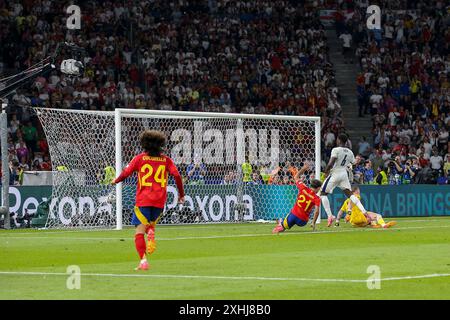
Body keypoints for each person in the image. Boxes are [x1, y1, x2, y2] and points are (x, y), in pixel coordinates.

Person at [112, 130, 185, 271]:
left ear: (144, 144)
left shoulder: (139, 158)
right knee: (149, 225)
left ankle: (143, 261)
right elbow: (176, 175)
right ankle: (151, 231)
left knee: (139, 232)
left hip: (143, 200)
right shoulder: (166, 160)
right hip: (159, 201)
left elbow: (126, 173)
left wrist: (116, 180)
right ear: (161, 145)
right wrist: (181, 194)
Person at [320, 133, 369, 227]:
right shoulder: (350, 152)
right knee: (350, 194)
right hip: (344, 174)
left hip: (335, 173)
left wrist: (326, 172)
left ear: (338, 140)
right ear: (346, 141)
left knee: (322, 194)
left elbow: (331, 163)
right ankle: (364, 211)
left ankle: (330, 216)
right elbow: (354, 163)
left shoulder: (336, 150)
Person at [272, 163, 322, 233]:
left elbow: (296, 177)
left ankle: (281, 226)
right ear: (318, 188)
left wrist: (304, 169)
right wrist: (313, 222)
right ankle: (284, 225)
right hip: (303, 221)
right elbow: (316, 211)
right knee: (290, 222)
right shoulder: (317, 198)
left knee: (282, 226)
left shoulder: (303, 187)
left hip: (293, 215)